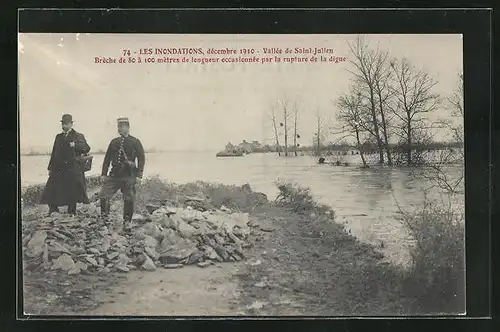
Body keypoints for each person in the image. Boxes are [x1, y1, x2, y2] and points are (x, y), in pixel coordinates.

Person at [40, 114, 91, 216]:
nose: (64, 125)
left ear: (71, 124)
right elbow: (54, 152)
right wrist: (50, 167)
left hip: (72, 168)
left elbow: (86, 148)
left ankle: (72, 211)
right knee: (51, 188)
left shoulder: (78, 135)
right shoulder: (58, 137)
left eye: (67, 123)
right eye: (63, 123)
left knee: (73, 190)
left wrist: (75, 145)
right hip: (58, 168)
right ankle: (53, 209)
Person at [99, 117, 145, 228]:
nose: (119, 129)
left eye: (121, 126)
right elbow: (107, 159)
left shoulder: (135, 141)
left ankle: (127, 221)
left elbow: (141, 158)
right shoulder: (114, 142)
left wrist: (139, 175)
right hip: (114, 175)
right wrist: (104, 174)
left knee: (129, 198)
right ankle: (105, 218)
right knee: (103, 195)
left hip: (129, 176)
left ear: (127, 127)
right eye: (118, 126)